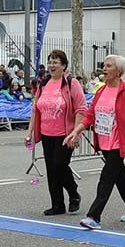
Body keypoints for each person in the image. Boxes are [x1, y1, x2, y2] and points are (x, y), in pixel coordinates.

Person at [65, 55, 125, 230]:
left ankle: (94, 216)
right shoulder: (101, 91)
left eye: (109, 66)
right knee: (120, 176)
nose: (104, 68)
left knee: (106, 177)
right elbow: (90, 115)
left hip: (119, 142)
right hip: (103, 141)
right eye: (104, 65)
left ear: (118, 71)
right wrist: (77, 130)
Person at [27, 49, 86, 216]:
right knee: (51, 170)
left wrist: (76, 133)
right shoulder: (43, 83)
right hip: (46, 133)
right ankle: (57, 204)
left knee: (60, 166)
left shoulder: (71, 83)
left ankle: (73, 194)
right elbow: (35, 109)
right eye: (50, 62)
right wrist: (30, 133)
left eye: (55, 62)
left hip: (65, 134)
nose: (51, 65)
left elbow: (81, 108)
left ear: (64, 66)